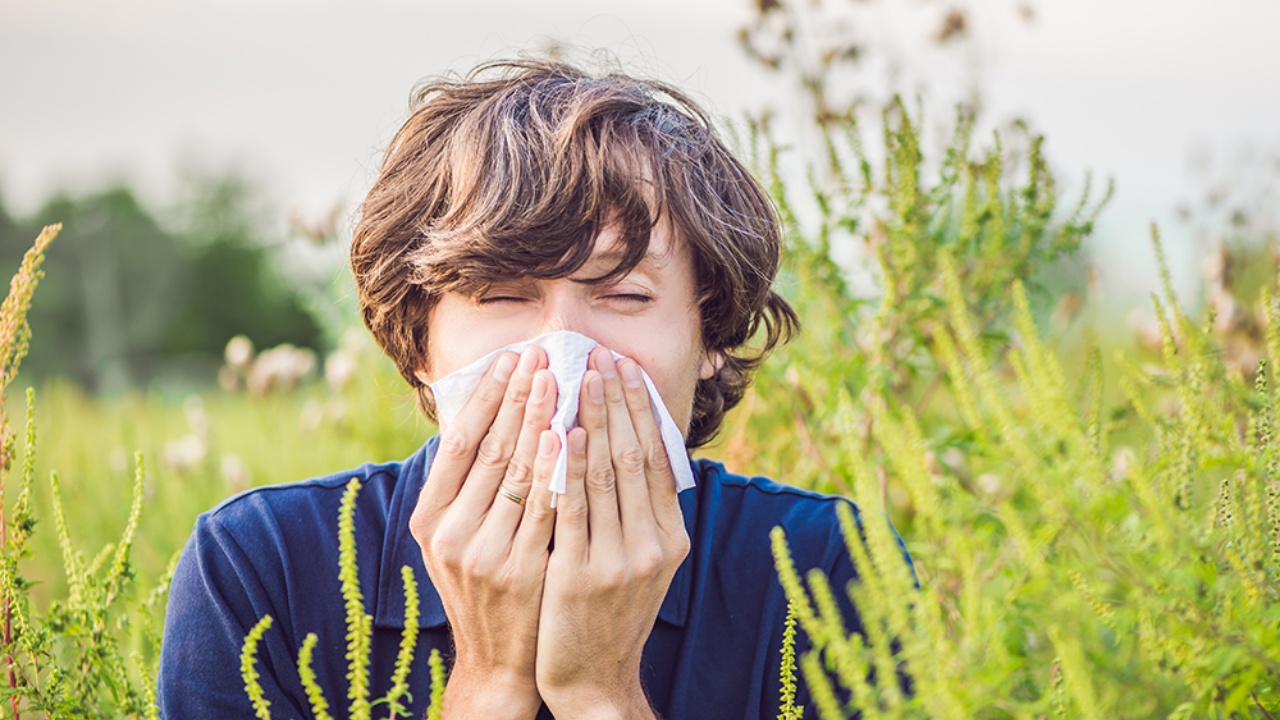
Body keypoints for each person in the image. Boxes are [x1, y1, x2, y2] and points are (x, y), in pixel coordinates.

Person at [158, 58, 902, 719]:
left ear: (710, 337)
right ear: (419, 340)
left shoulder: (828, 573)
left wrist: (601, 694)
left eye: (623, 295)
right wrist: (488, 684)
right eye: (501, 295)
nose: (560, 353)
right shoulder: (262, 572)